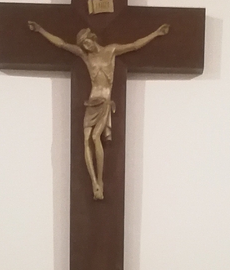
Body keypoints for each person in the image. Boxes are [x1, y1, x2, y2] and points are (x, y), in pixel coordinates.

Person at [28, 21, 170, 200]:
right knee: (86, 139)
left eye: (87, 42)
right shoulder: (86, 57)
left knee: (96, 137)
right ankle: (94, 182)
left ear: (92, 38)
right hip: (91, 102)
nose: (86, 46)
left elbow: (134, 45)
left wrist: (156, 33)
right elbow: (62, 44)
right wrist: (41, 30)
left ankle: (100, 182)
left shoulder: (111, 50)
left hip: (104, 102)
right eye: (83, 45)